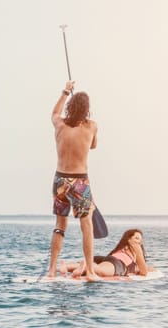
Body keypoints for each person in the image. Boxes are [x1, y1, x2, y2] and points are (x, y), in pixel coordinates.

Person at [47, 80, 100, 282]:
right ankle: (91, 272)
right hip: (80, 181)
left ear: (70, 105)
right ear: (87, 109)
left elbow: (54, 114)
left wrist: (65, 92)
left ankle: (52, 270)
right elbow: (93, 146)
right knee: (86, 224)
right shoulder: (92, 126)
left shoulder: (59, 124)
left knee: (60, 225)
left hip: (60, 179)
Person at [58, 229, 157, 278]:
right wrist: (139, 251)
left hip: (107, 258)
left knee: (92, 265)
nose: (139, 241)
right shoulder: (135, 251)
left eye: (140, 239)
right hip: (117, 263)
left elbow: (142, 269)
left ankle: (66, 267)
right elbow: (144, 272)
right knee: (100, 270)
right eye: (136, 238)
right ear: (128, 239)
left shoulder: (122, 248)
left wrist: (150, 269)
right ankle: (80, 269)